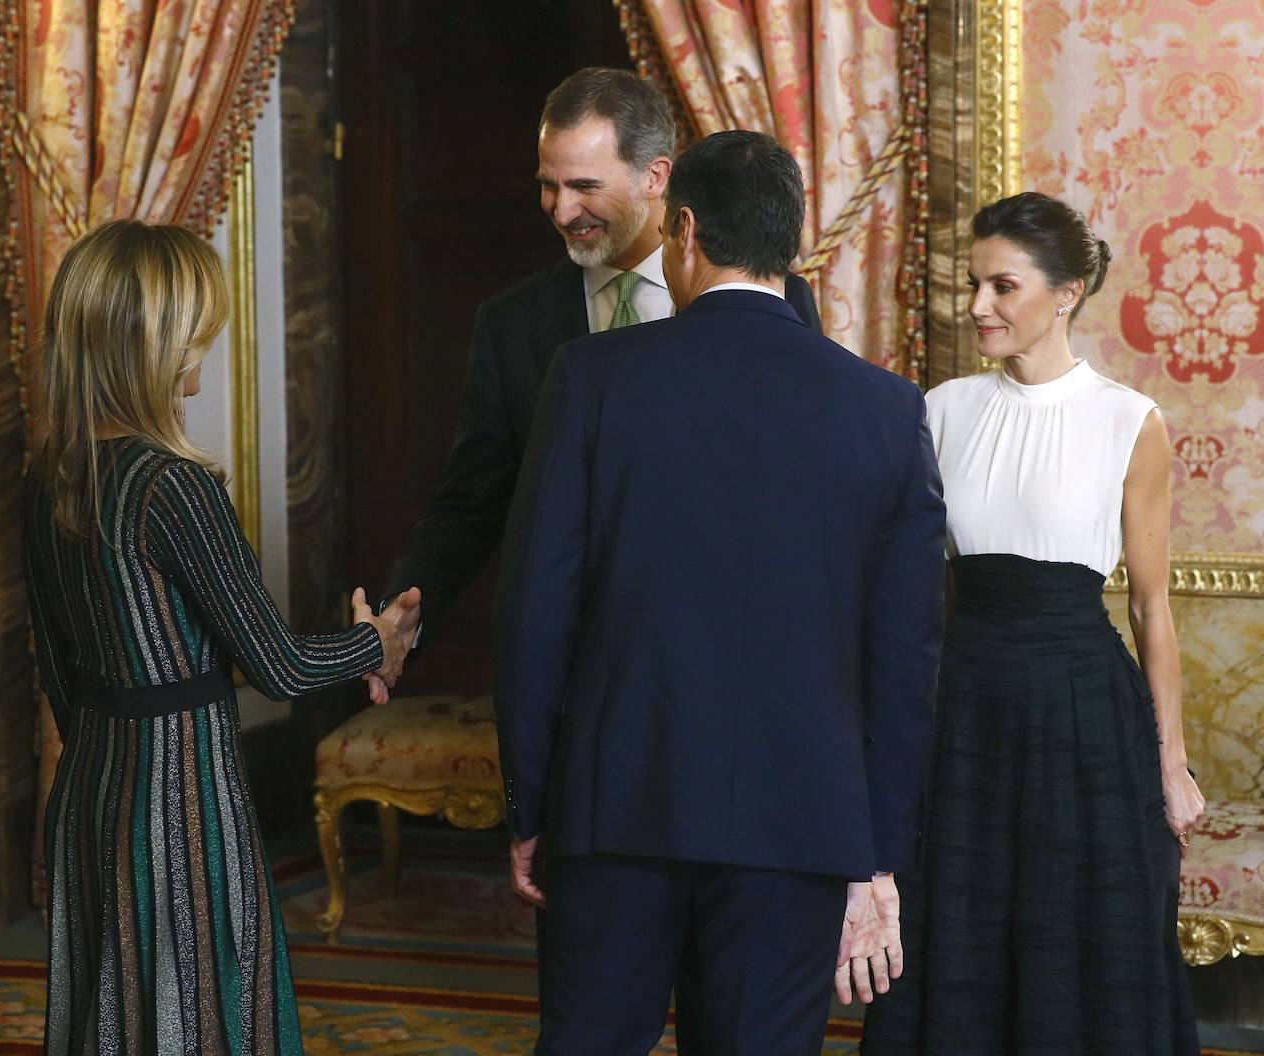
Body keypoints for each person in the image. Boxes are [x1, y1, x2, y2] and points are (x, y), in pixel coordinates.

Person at [493, 129, 946, 1055]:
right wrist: (876, 859)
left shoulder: (590, 380)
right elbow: (906, 663)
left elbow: (534, 616)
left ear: (685, 229)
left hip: (612, 808)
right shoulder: (890, 412)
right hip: (804, 820)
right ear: (790, 245)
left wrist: (532, 810)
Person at [22, 219, 417, 1056]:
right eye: (197, 321)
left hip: (93, 786)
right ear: (153, 340)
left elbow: (58, 669)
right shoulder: (171, 485)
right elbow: (275, 663)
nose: (209, 335)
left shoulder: (50, 476)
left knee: (117, 1015)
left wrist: (120, 732)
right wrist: (376, 641)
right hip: (180, 797)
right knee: (202, 1012)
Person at [859, 191, 1205, 1054]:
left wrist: (1171, 763)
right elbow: (902, 588)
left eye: (1002, 286)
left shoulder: (1131, 422)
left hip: (1085, 714)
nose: (978, 306)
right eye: (973, 285)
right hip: (963, 708)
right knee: (960, 935)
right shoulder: (938, 410)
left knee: (1084, 944)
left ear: (1067, 291)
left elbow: (1151, 606)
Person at [372, 66, 822, 654]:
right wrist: (400, 614)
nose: (561, 211)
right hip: (575, 660)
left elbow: (801, 479)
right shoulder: (512, 324)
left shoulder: (774, 299)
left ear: (656, 176)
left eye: (584, 185)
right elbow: (470, 504)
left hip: (735, 645)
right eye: (548, 185)